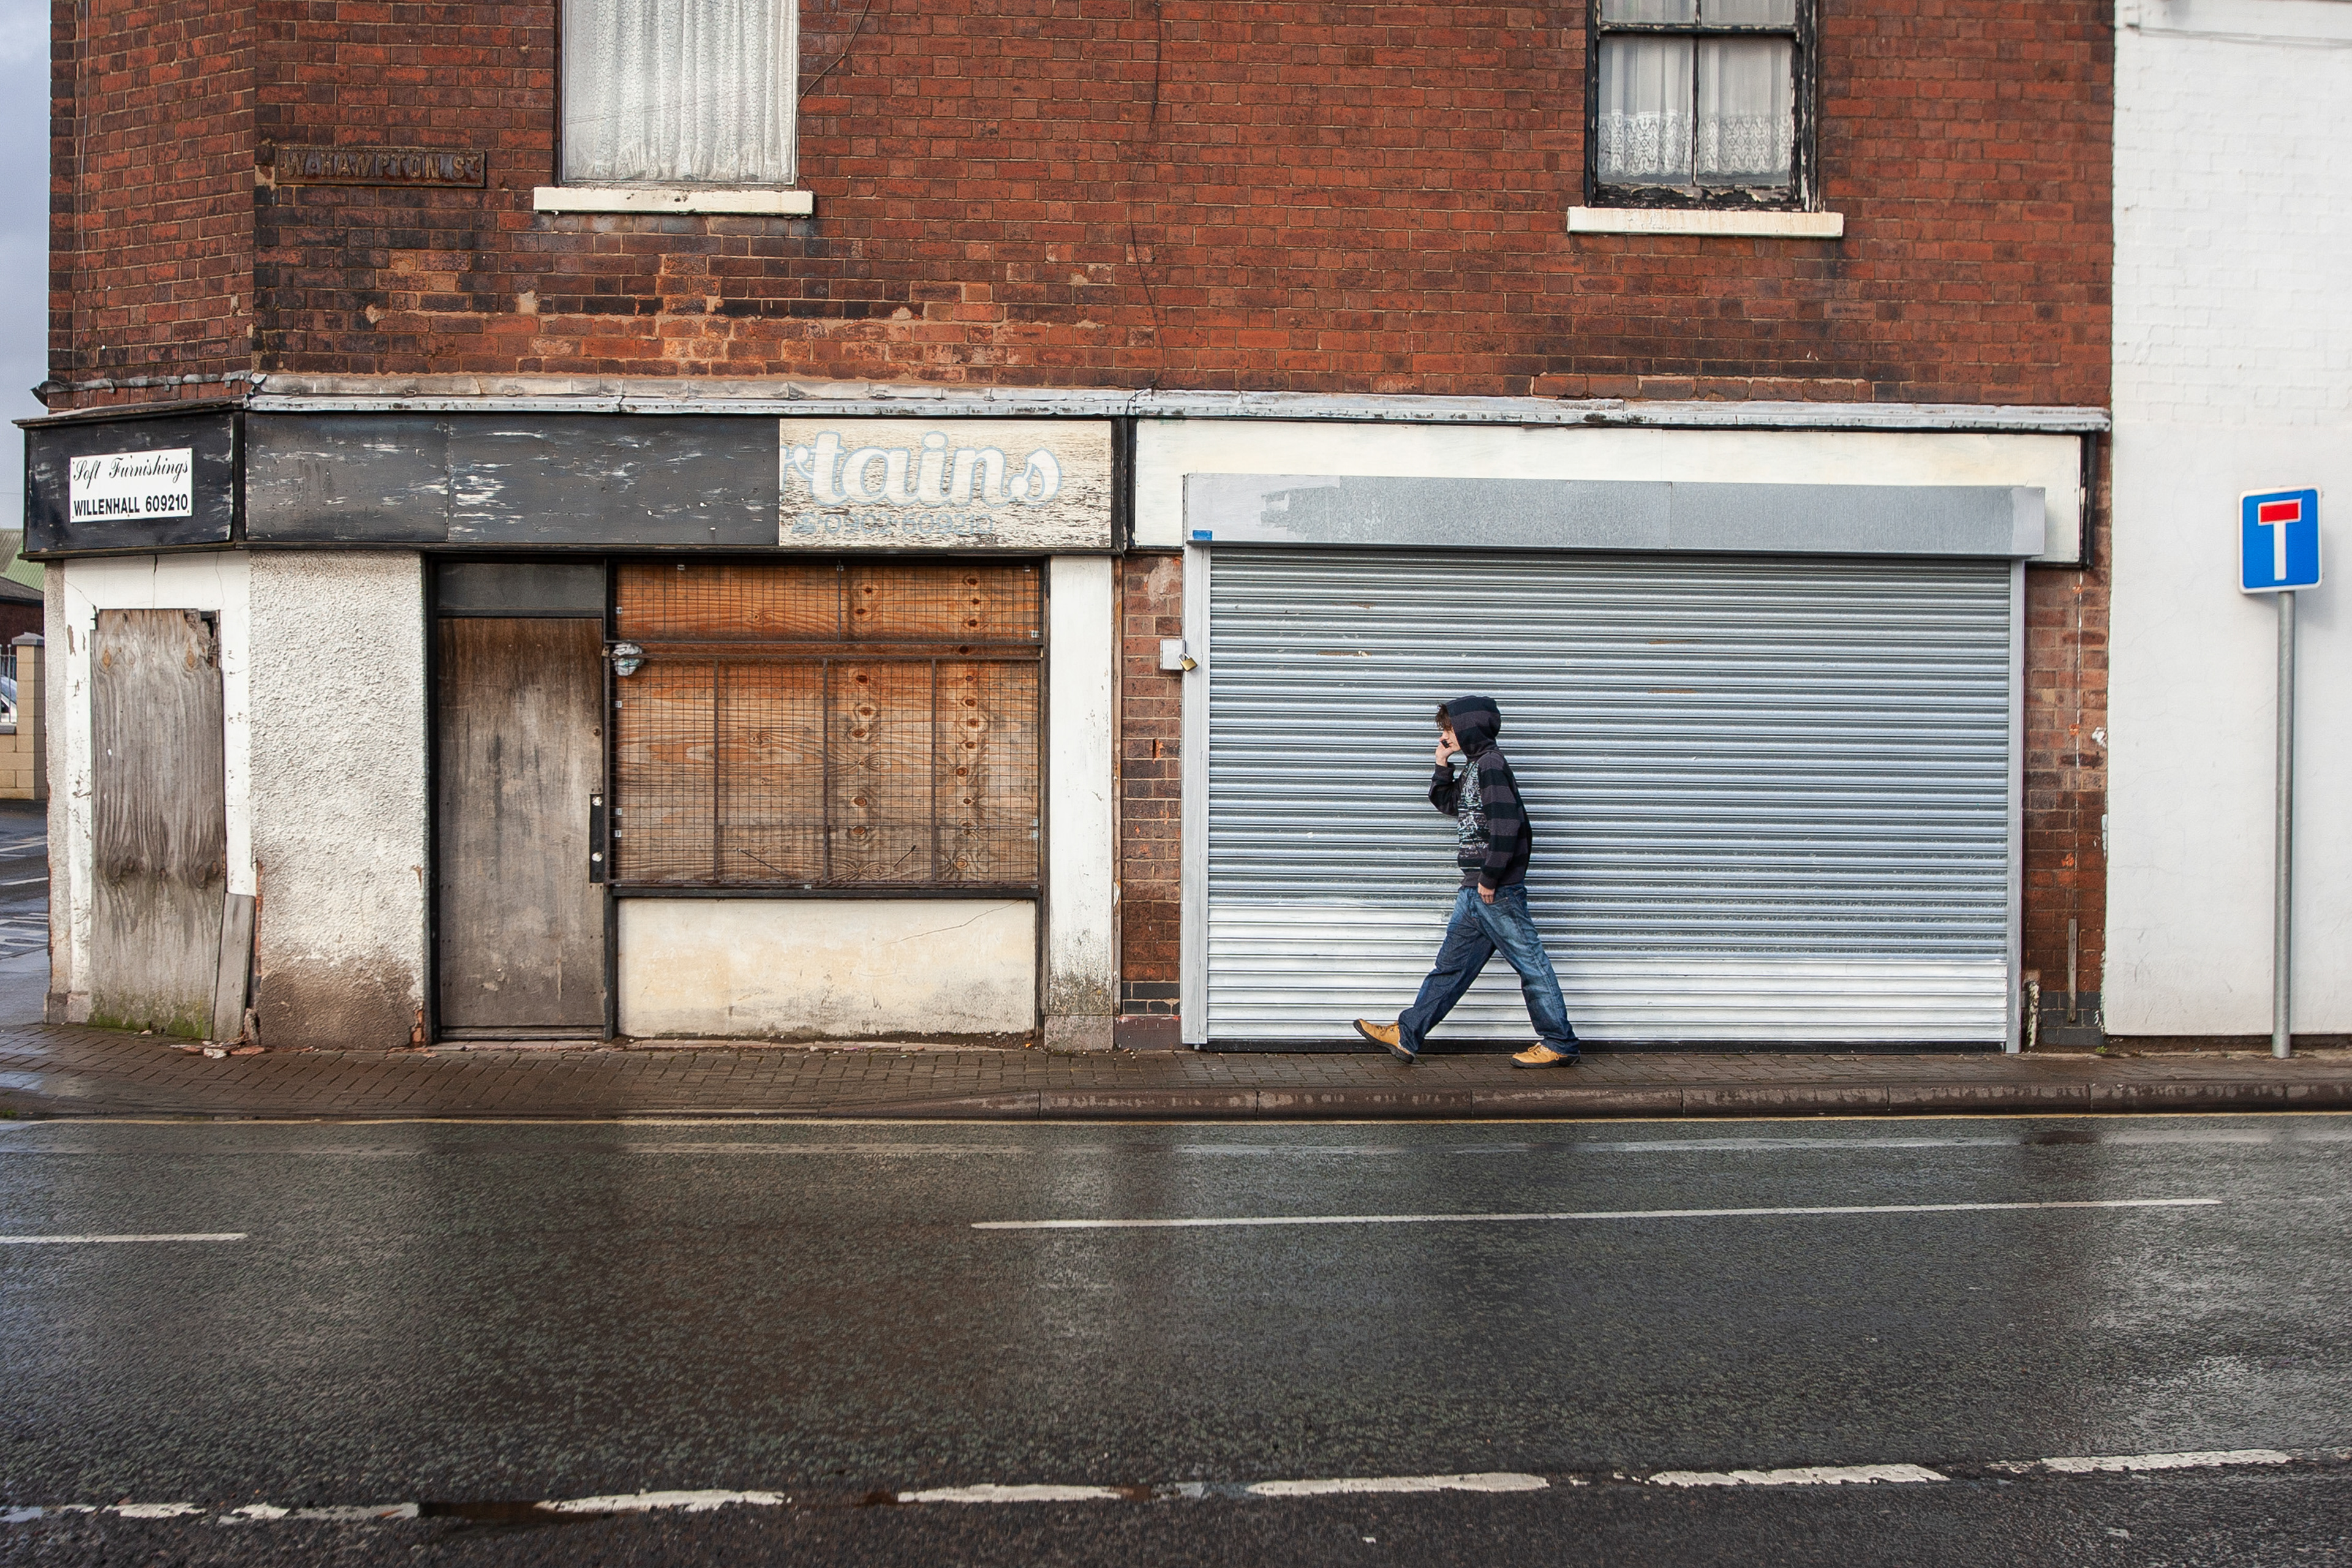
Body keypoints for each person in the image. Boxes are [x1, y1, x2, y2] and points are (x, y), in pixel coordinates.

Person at [1354, 696, 1580, 1068]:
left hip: (1495, 891)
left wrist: (1490, 879)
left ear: (1469, 727)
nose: (1445, 735)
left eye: (1449, 728)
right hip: (1474, 892)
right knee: (1451, 969)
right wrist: (1442, 764)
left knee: (1531, 965)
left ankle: (1560, 1042)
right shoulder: (1475, 767)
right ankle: (1408, 1033)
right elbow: (1447, 804)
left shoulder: (1492, 765)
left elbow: (1507, 826)